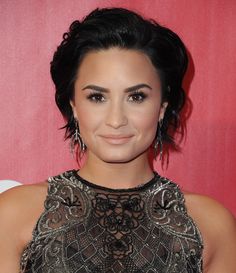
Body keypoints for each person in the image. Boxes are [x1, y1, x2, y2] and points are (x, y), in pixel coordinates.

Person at [0, 7, 235, 273]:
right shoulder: (13, 214)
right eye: (97, 97)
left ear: (162, 107)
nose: (116, 119)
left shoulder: (211, 225)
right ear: (74, 105)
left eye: (136, 97)